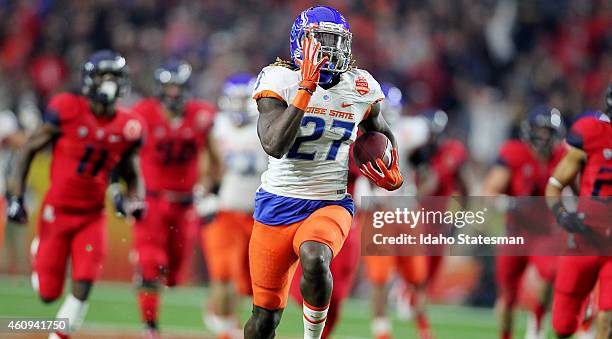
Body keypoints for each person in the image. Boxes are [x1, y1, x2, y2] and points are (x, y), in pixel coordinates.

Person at [246, 6, 403, 339]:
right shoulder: (279, 80)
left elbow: (381, 132)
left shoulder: (361, 87)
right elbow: (274, 145)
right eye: (321, 41)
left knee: (315, 257)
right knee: (263, 320)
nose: (329, 50)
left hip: (329, 202)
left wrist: (393, 168)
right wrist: (305, 89)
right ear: (300, 44)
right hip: (277, 204)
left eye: (336, 42)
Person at [6, 50, 144, 339]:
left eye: (115, 77)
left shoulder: (129, 126)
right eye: (105, 77)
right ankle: (38, 250)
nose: (110, 83)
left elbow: (131, 173)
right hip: (57, 211)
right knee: (47, 293)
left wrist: (135, 200)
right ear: (90, 81)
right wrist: (15, 197)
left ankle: (59, 335)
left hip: (92, 216)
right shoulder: (66, 108)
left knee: (84, 280)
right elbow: (28, 150)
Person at [128, 59, 218, 338]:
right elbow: (124, 154)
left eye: (178, 87)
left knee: (176, 277)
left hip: (186, 203)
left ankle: (149, 280)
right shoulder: (143, 113)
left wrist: (211, 190)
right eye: (168, 87)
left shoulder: (201, 115)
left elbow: (214, 159)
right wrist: (126, 191)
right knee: (151, 263)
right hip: (152, 201)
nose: (173, 94)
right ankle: (150, 326)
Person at [482, 105, 567, 339]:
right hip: (516, 232)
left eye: (547, 131)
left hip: (546, 232)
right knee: (508, 297)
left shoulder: (564, 156)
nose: (541, 136)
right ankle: (506, 335)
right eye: (538, 130)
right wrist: (506, 203)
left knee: (551, 273)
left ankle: (537, 323)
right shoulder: (515, 153)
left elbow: (581, 187)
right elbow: (490, 190)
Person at [363, 86, 441, 339]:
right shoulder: (359, 131)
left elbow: (427, 169)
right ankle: (381, 331)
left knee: (417, 276)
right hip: (378, 213)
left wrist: (419, 194)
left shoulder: (411, 130)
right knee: (379, 277)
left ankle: (422, 327)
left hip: (405, 210)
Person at [201, 73, 267, 339]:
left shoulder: (265, 125)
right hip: (225, 211)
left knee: (250, 283)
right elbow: (206, 165)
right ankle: (226, 329)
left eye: (244, 100)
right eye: (235, 100)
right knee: (224, 275)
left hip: (257, 214)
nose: (239, 106)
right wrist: (203, 194)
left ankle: (228, 321)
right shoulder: (217, 127)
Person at [545, 84, 612, 338]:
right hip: (585, 238)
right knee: (563, 325)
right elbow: (554, 186)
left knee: (609, 317)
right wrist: (563, 215)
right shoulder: (591, 132)